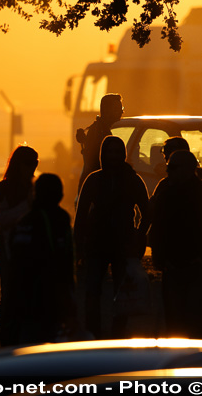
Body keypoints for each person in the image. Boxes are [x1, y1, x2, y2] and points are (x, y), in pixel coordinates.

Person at [149, 150, 202, 339]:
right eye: (168, 168)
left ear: (188, 169)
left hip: (201, 270)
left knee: (201, 325)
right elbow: (158, 231)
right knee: (178, 326)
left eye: (172, 168)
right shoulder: (166, 196)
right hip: (177, 270)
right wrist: (161, 261)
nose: (168, 172)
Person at [74, 135, 149, 338]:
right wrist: (78, 247)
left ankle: (118, 334)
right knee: (92, 292)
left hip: (122, 245)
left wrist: (138, 237)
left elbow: (147, 212)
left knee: (122, 293)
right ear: (103, 154)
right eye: (109, 151)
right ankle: (93, 334)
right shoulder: (94, 180)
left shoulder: (133, 180)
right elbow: (80, 215)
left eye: (117, 152)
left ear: (123, 154)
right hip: (96, 243)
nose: (113, 156)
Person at [9, 173, 76, 343]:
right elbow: (66, 261)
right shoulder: (59, 219)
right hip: (47, 297)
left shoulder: (25, 221)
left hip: (27, 298)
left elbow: (15, 264)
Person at [0, 145, 39, 346]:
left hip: (32, 248)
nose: (32, 167)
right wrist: (27, 206)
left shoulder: (35, 188)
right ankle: (8, 336)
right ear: (18, 165)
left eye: (35, 163)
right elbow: (1, 218)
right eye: (29, 163)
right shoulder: (3, 188)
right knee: (9, 291)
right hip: (10, 247)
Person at [76, 93, 124, 193]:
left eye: (121, 108)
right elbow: (96, 163)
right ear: (106, 111)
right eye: (116, 109)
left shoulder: (98, 129)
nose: (121, 112)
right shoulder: (101, 132)